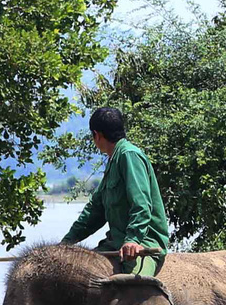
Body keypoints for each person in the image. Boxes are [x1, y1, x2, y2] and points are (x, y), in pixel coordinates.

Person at [62, 107, 168, 275]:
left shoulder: (129, 156)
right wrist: (65, 244)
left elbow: (141, 204)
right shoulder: (113, 161)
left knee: (131, 291)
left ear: (96, 135)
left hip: (145, 242)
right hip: (114, 243)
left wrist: (133, 240)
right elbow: (94, 211)